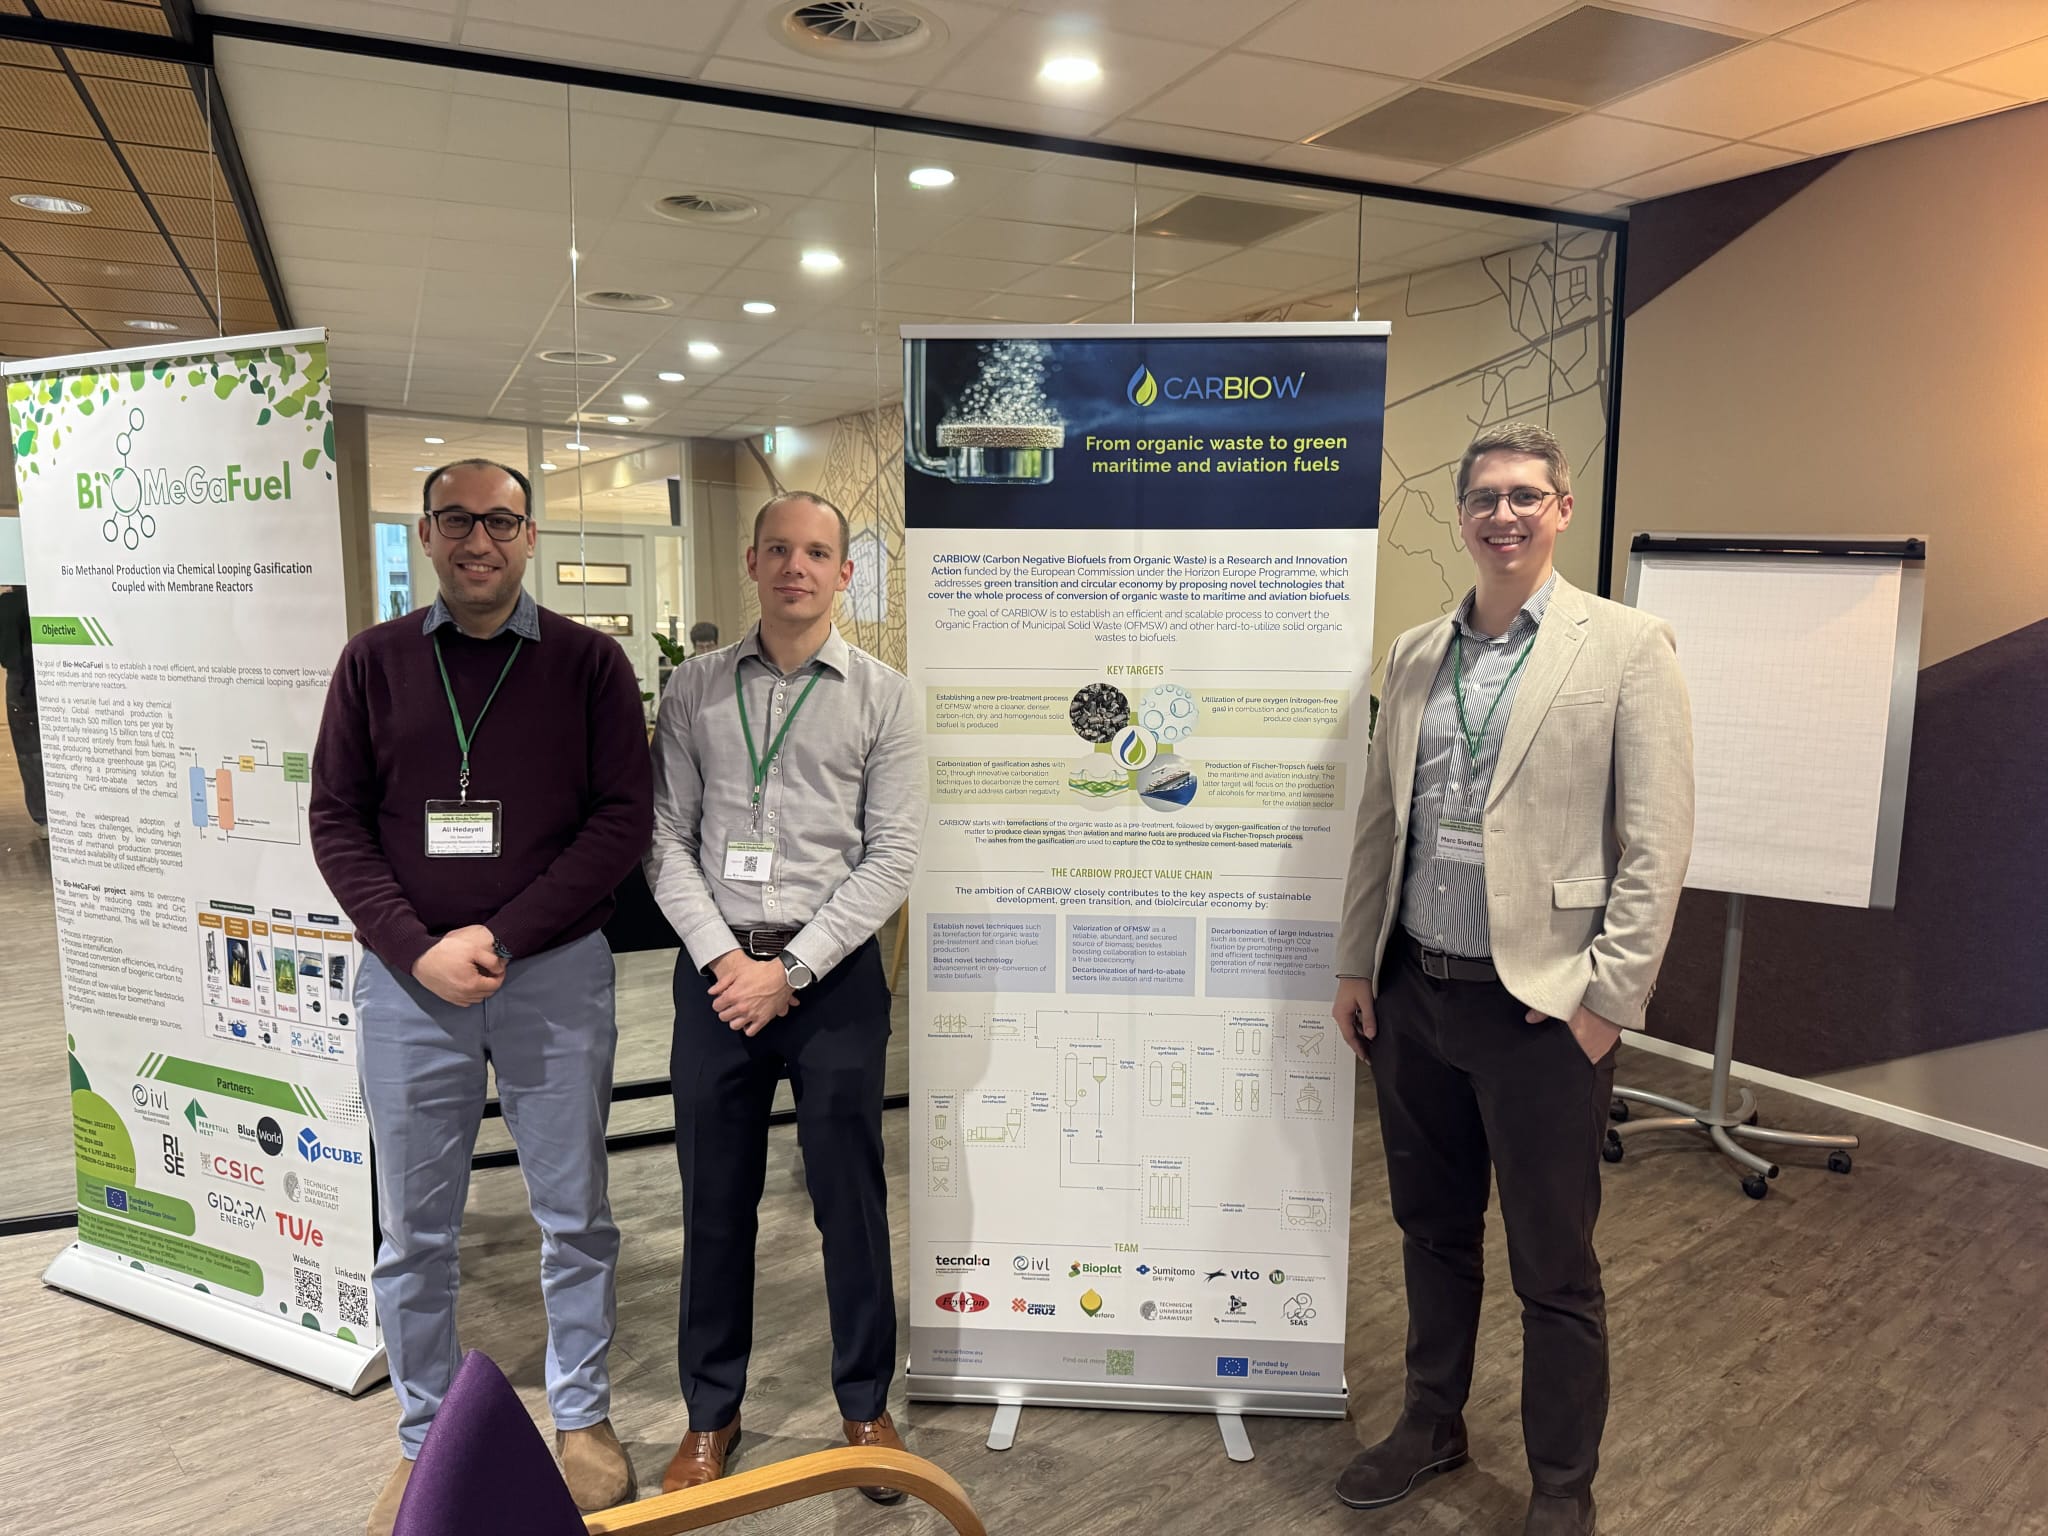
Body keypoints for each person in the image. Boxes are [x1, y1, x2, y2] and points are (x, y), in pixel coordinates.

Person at [1330, 423, 1694, 1536]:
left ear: (1561, 511)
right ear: (1460, 515)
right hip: (1415, 996)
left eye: (1526, 496)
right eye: (1485, 497)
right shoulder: (1415, 653)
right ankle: (1432, 1422)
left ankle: (1560, 1486)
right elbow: (1382, 820)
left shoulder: (1626, 646)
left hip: (1541, 1010)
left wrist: (1606, 1004)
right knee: (1431, 1232)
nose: (1504, 514)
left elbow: (1658, 843)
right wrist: (1355, 962)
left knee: (1554, 1267)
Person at [310, 459, 653, 1536]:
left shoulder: (590, 664)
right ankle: (423, 1439)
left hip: (555, 977)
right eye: (455, 520)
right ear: (425, 534)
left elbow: (621, 822)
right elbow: (335, 821)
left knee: (575, 1215)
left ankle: (583, 1415)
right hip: (409, 987)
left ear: (529, 536)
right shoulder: (371, 664)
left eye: (500, 522)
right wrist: (418, 951)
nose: (478, 541)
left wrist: (501, 937)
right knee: (414, 1231)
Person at [645, 490, 923, 1500]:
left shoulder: (886, 697)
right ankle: (709, 1414)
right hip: (717, 978)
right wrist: (726, 962)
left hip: (833, 982)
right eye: (778, 549)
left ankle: (864, 1405)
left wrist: (791, 969)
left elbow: (893, 856)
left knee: (850, 1204)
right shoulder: (692, 688)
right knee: (714, 1205)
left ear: (843, 573)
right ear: (752, 563)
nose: (795, 567)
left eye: (815, 552)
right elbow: (664, 840)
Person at [0, 585, 46, 835]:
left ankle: (43, 816)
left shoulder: (9, 604)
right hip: (45, 678)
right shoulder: (52, 596)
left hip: (21, 683)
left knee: (30, 754)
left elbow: (8, 656)